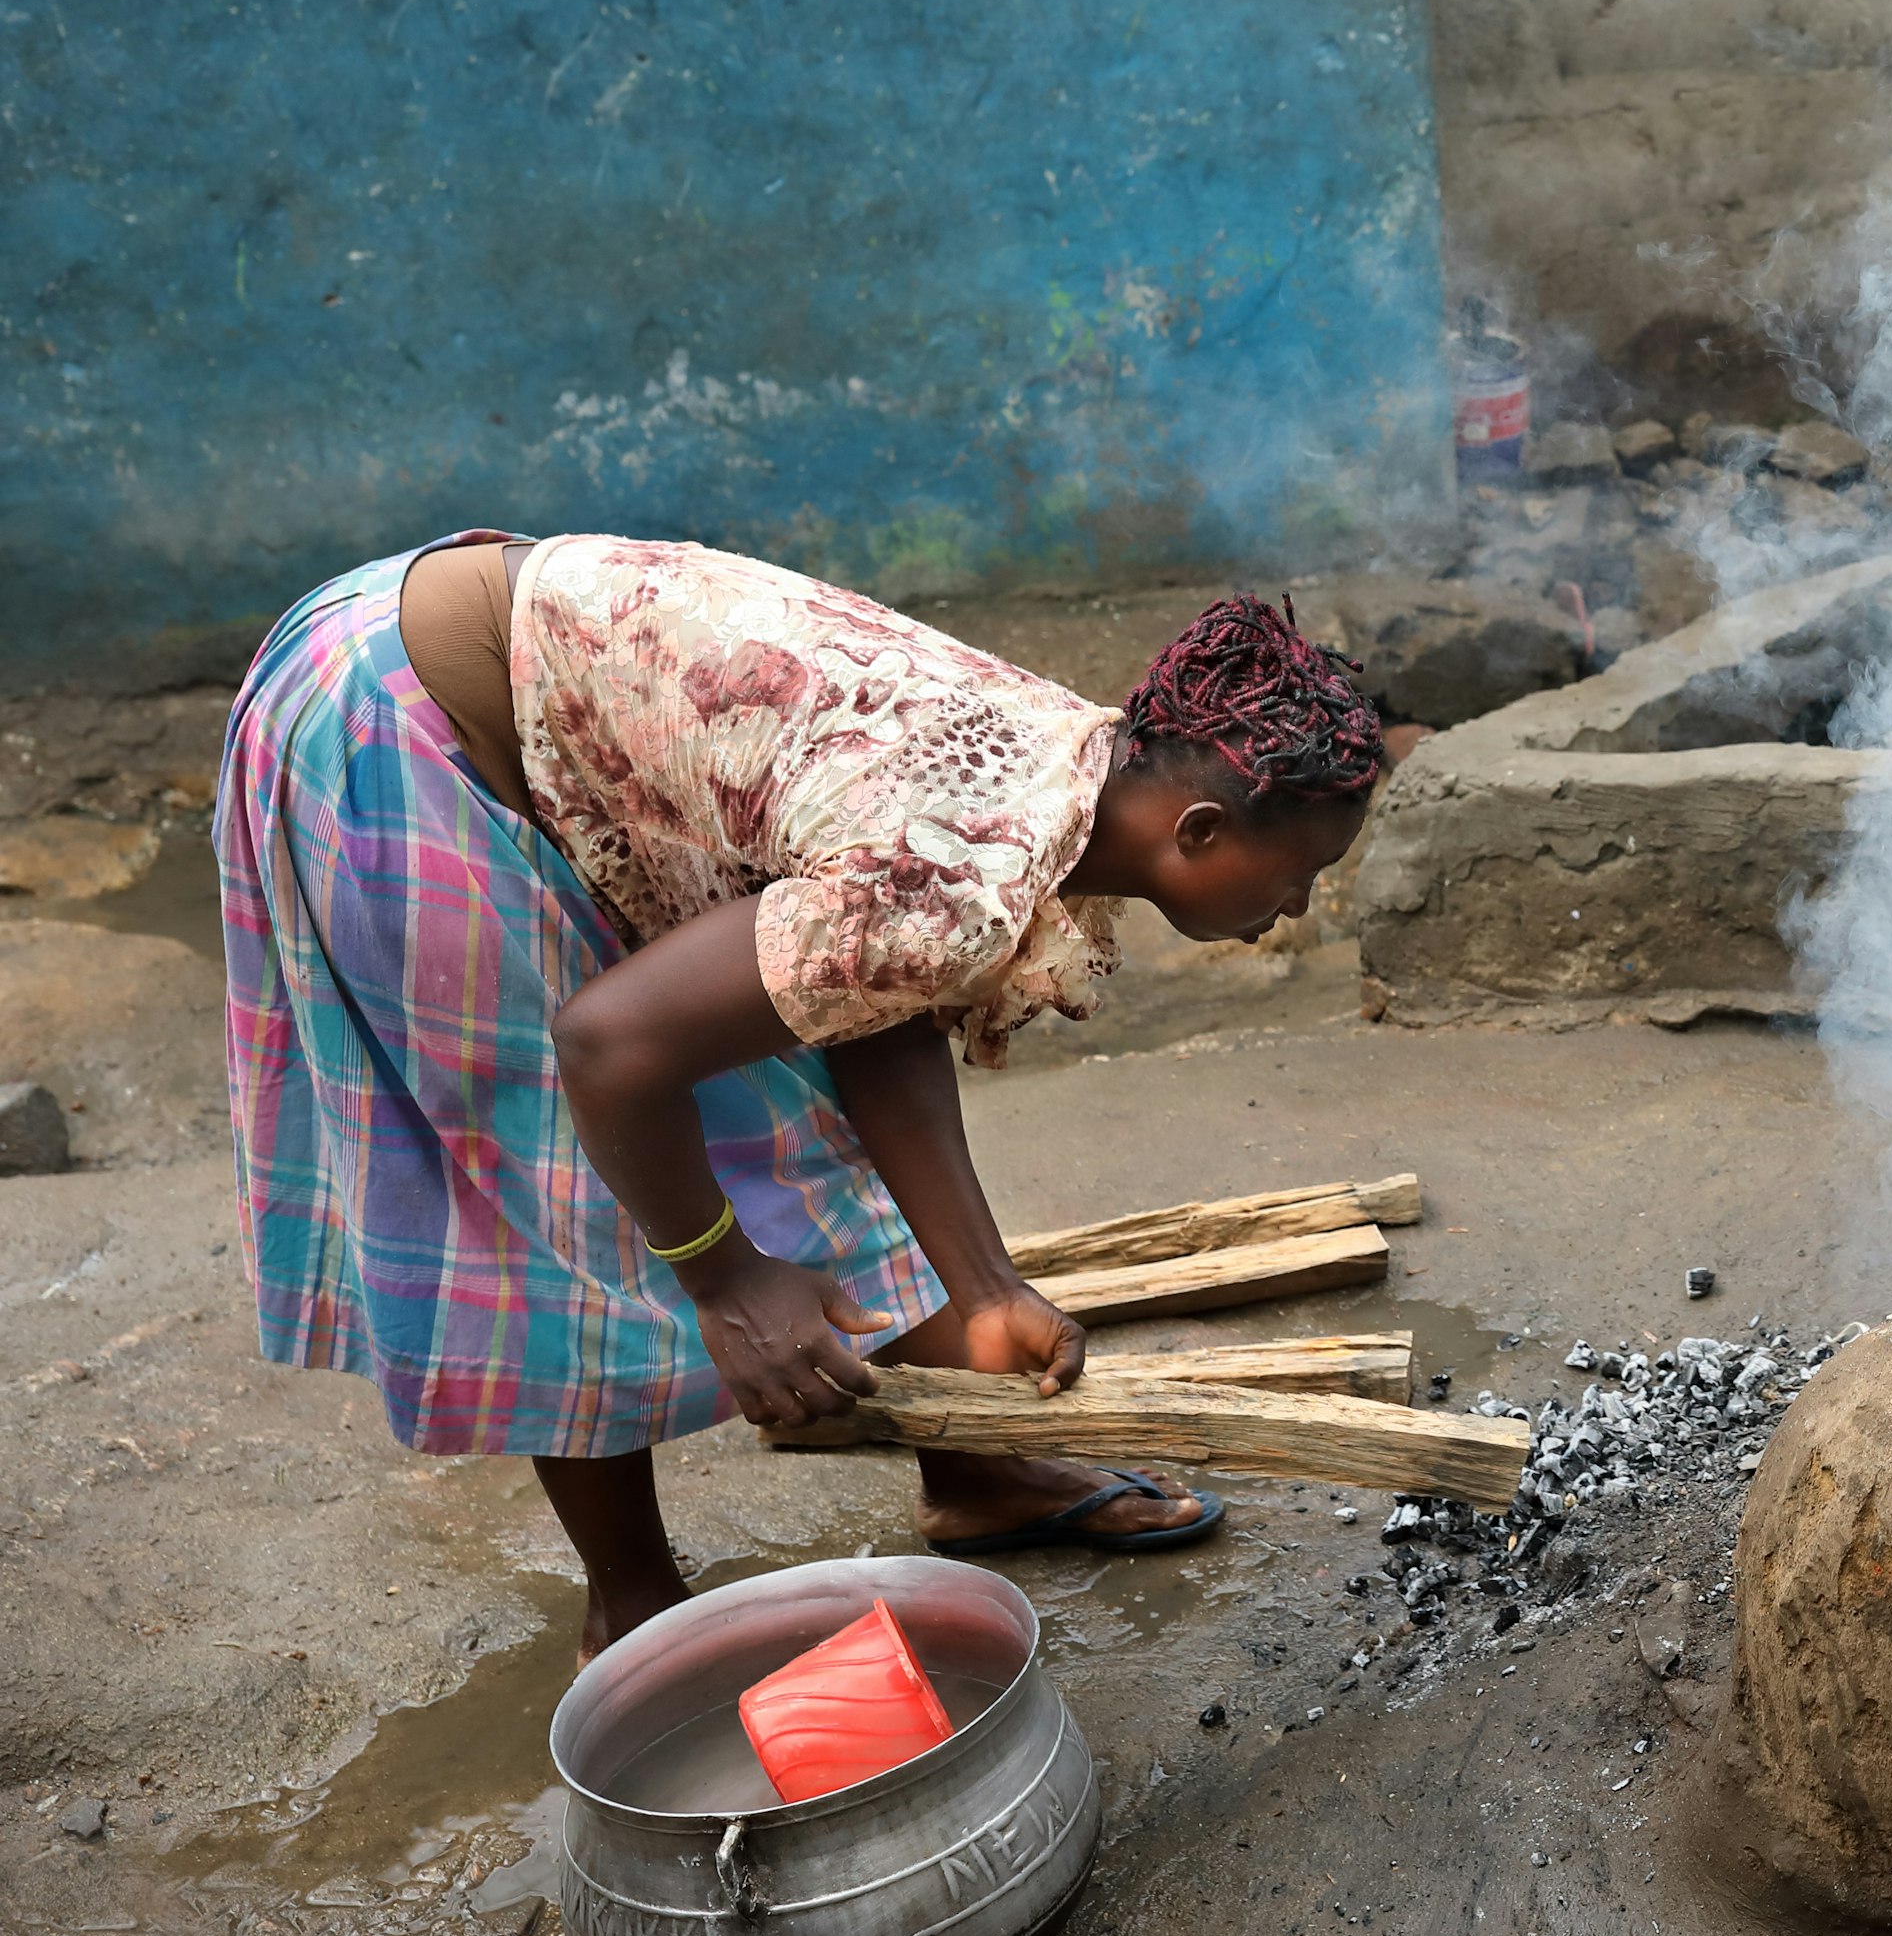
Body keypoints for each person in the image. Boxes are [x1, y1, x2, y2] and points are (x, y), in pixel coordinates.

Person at [218, 534, 1384, 1659]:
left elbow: (877, 1006)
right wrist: (727, 1280)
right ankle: (632, 1606)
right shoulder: (957, 869)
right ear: (1198, 830)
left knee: (769, 1080)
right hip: (391, 720)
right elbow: (607, 1047)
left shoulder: (1073, 765)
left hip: (465, 647)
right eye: (1304, 871)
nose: (1300, 904)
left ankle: (978, 1477)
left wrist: (988, 1288)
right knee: (553, 1181)